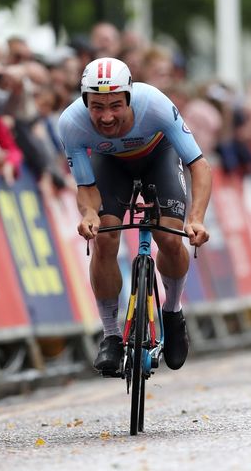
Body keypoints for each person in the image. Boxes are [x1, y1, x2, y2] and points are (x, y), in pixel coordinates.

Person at [58, 57, 212, 373]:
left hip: (159, 156)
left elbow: (199, 165)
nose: (106, 116)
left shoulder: (154, 103)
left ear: (129, 96)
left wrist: (196, 218)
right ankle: (111, 335)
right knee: (105, 237)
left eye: (115, 105)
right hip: (110, 163)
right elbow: (85, 186)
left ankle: (172, 310)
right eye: (97, 107)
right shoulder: (71, 122)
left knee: (169, 238)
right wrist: (89, 215)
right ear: (85, 100)